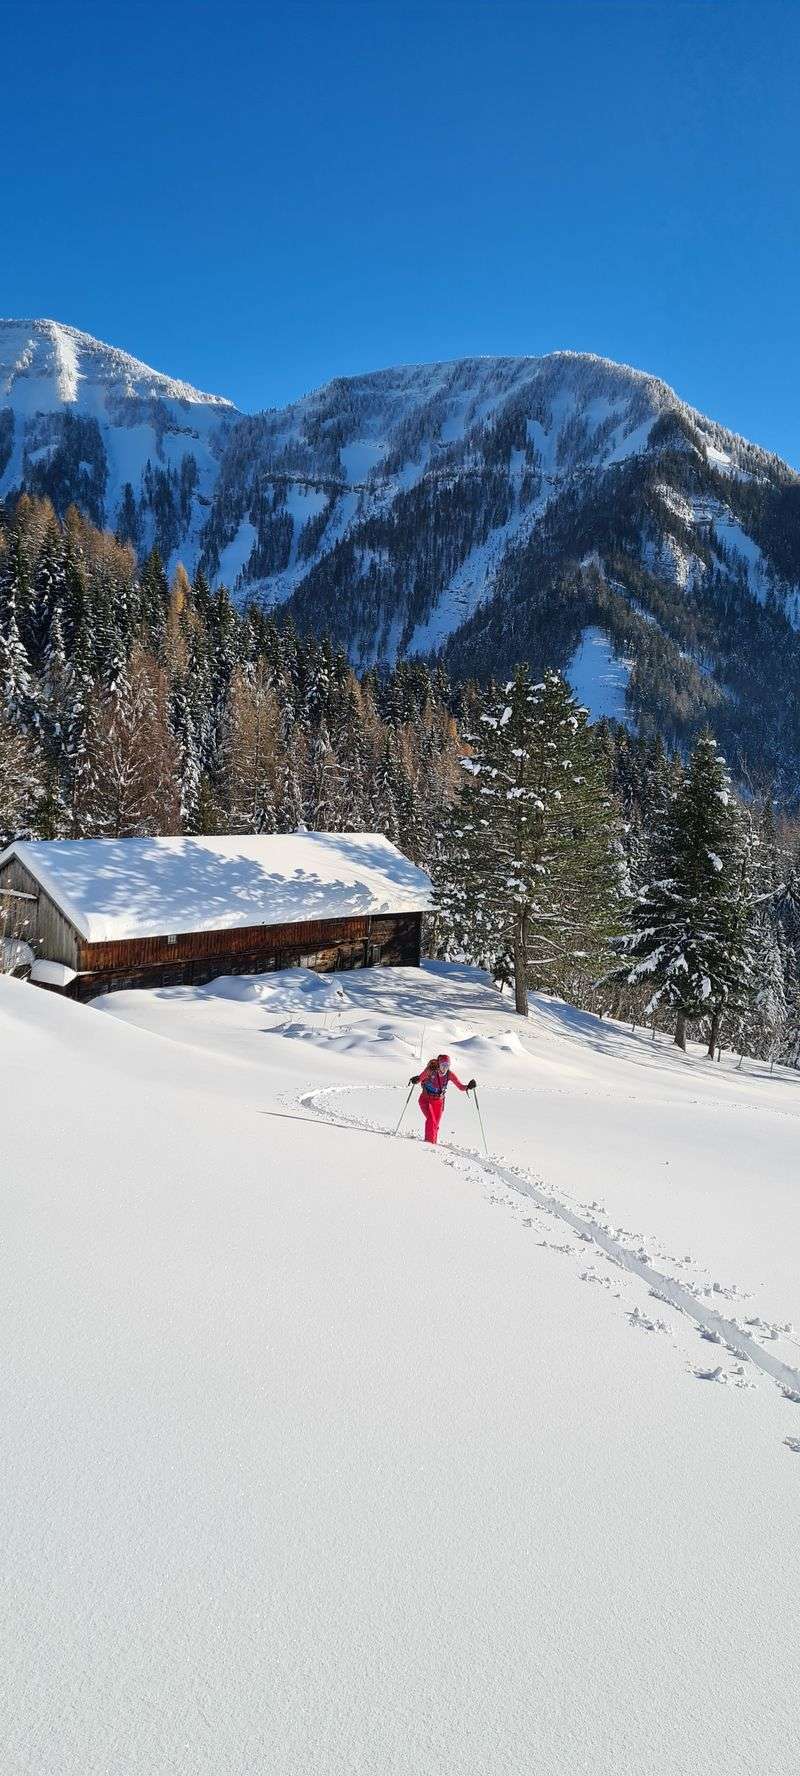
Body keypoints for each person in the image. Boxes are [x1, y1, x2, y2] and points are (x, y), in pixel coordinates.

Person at [408, 1052, 477, 1145]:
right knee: (431, 1120)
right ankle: (429, 1144)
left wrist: (469, 1086)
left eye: (447, 1065)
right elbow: (419, 1078)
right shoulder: (430, 1071)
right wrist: (415, 1080)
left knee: (435, 1125)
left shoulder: (449, 1074)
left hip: (439, 1102)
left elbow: (460, 1087)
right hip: (426, 1099)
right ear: (439, 1064)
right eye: (443, 1065)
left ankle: (434, 1143)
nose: (445, 1067)